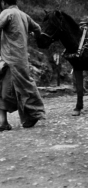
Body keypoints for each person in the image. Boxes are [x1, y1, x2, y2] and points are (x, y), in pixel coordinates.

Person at [0, 0, 45, 132]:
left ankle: (34, 113)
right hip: (20, 58)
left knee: (12, 89)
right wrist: (33, 36)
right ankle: (3, 122)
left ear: (3, 2)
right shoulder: (23, 15)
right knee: (10, 86)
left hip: (10, 59)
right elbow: (38, 28)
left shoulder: (7, 12)